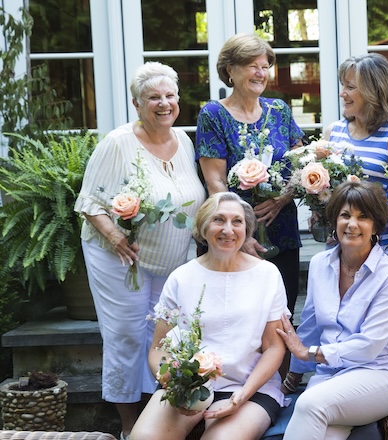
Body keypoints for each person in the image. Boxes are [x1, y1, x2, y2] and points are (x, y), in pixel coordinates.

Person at [74, 62, 205, 440]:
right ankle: (129, 424)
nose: (163, 103)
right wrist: (116, 236)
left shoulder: (184, 140)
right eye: (153, 98)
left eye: (169, 96)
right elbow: (89, 202)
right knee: (128, 335)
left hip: (170, 257)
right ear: (136, 103)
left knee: (163, 336)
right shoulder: (118, 143)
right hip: (119, 257)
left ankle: (158, 415)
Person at [131, 192, 289, 440]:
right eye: (219, 220)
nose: (228, 229)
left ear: (247, 229)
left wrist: (242, 396)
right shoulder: (181, 277)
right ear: (203, 227)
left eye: (237, 221)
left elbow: (274, 348)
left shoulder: (267, 274)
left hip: (249, 388)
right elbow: (158, 349)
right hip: (190, 386)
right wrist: (173, 384)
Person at [278, 181, 388, 440]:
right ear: (334, 220)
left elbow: (369, 345)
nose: (352, 224)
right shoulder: (319, 264)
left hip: (381, 374)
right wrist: (291, 378)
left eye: (363, 217)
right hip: (330, 376)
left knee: (309, 405)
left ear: (375, 225)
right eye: (345, 215)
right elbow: (309, 326)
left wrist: (310, 354)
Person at [196, 33, 304, 316]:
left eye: (265, 66)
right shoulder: (213, 114)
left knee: (281, 315)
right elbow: (215, 182)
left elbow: (301, 166)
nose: (260, 73)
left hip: (282, 231)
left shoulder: (279, 109)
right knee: (237, 318)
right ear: (230, 70)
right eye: (252, 65)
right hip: (233, 236)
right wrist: (241, 234)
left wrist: (282, 198)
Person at [324, 53, 388, 261]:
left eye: (350, 87)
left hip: (381, 250)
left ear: (373, 91)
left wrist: (367, 220)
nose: (342, 93)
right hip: (339, 247)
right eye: (342, 85)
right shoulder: (332, 132)